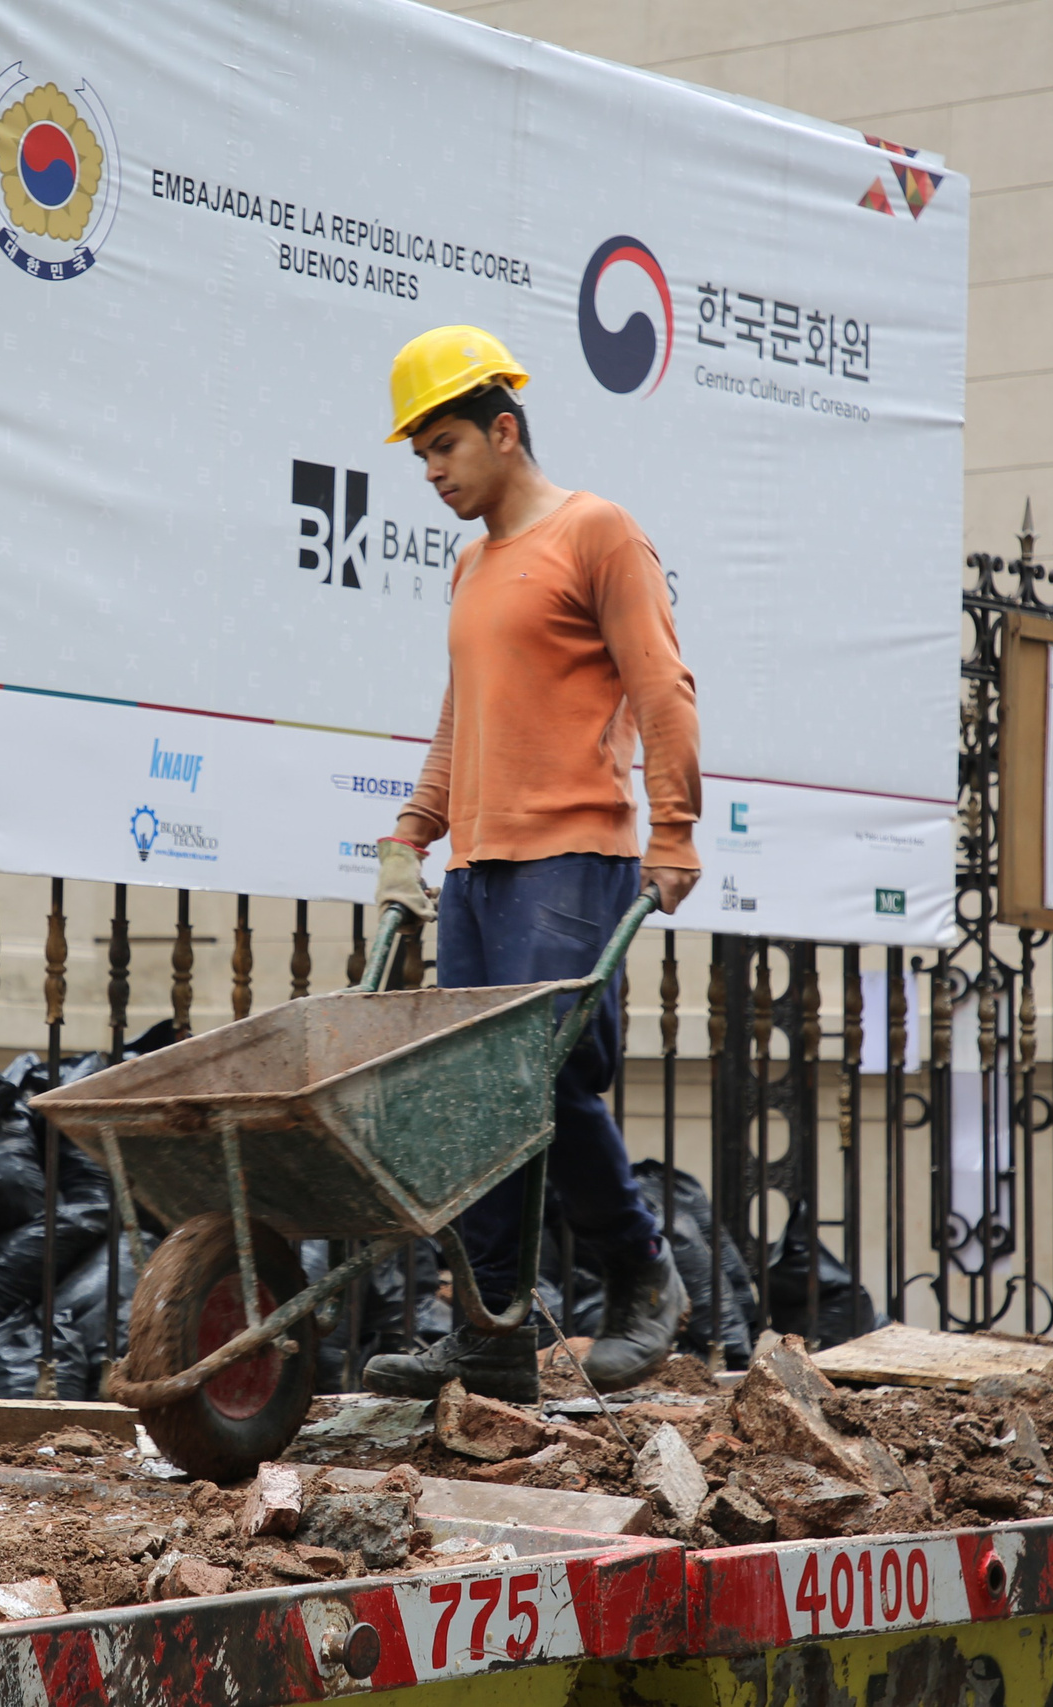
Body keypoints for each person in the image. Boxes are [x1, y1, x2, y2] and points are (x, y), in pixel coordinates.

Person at [358, 325, 698, 1402]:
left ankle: (643, 1278)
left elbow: (661, 686)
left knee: (539, 1082)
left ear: (505, 430)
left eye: (446, 445)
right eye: (418, 455)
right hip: (479, 870)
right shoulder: (470, 563)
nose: (431, 471)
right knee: (475, 1100)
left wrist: (675, 830)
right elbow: (463, 717)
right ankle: (490, 1329)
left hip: (573, 858)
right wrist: (414, 830)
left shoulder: (598, 533)